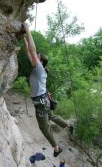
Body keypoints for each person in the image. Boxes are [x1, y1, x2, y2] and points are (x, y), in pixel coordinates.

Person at [23, 22, 73, 157]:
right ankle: (68, 126)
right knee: (50, 116)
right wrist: (24, 39)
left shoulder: (39, 69)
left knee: (44, 127)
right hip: (44, 100)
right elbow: (29, 52)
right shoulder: (40, 69)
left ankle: (57, 148)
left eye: (37, 57)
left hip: (41, 102)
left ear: (41, 61)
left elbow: (32, 51)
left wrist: (28, 31)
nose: (35, 57)